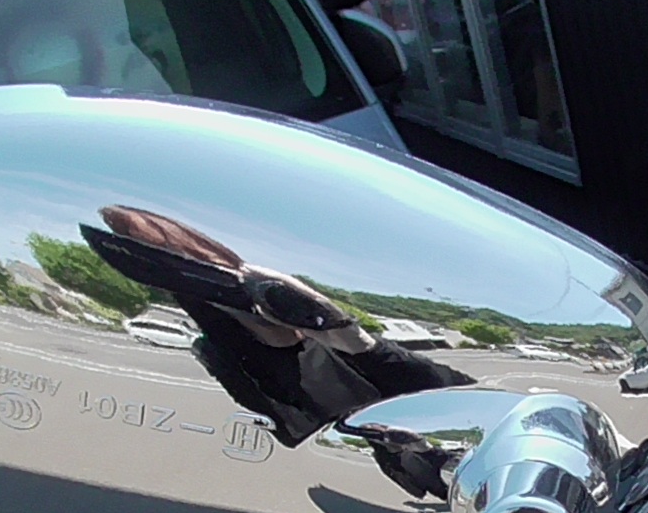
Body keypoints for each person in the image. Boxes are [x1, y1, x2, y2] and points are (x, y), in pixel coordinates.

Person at [80, 206, 476, 494]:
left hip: (456, 455)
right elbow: (294, 439)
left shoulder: (332, 330)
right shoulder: (226, 357)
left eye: (210, 265)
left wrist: (348, 336)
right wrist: (271, 346)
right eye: (193, 276)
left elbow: (463, 396)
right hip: (398, 481)